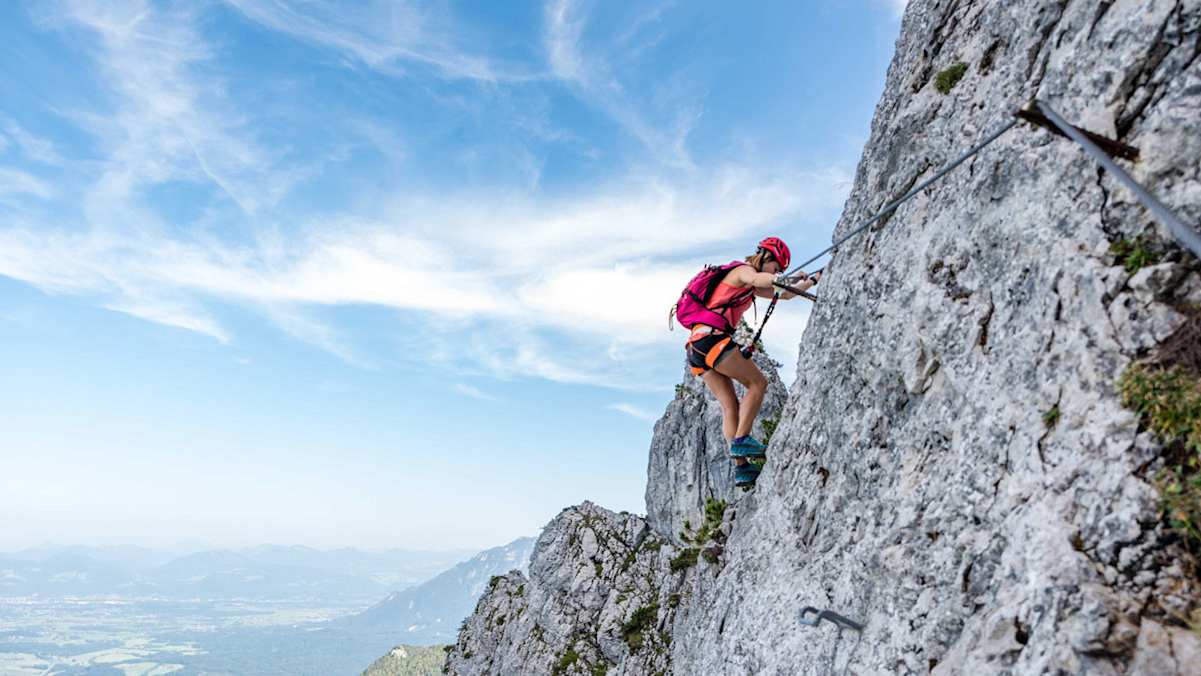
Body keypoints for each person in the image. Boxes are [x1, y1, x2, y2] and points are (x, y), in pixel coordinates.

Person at [684, 237, 820, 487]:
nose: (777, 272)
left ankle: (742, 469)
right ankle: (742, 440)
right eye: (776, 267)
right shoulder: (741, 271)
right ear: (766, 258)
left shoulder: (751, 283)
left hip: (697, 348)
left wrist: (810, 280)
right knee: (758, 383)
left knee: (730, 407)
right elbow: (761, 280)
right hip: (713, 341)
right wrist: (783, 278)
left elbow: (784, 295)